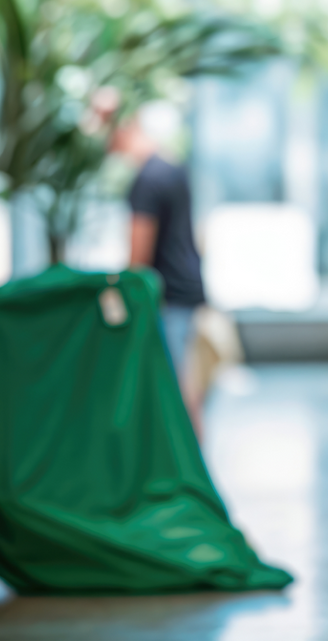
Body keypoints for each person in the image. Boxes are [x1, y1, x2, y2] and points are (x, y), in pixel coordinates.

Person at [112, 109, 209, 437]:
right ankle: (195, 465)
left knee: (175, 386)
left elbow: (138, 258)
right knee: (183, 381)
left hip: (166, 296)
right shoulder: (172, 168)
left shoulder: (146, 181)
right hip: (187, 288)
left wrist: (122, 296)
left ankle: (193, 471)